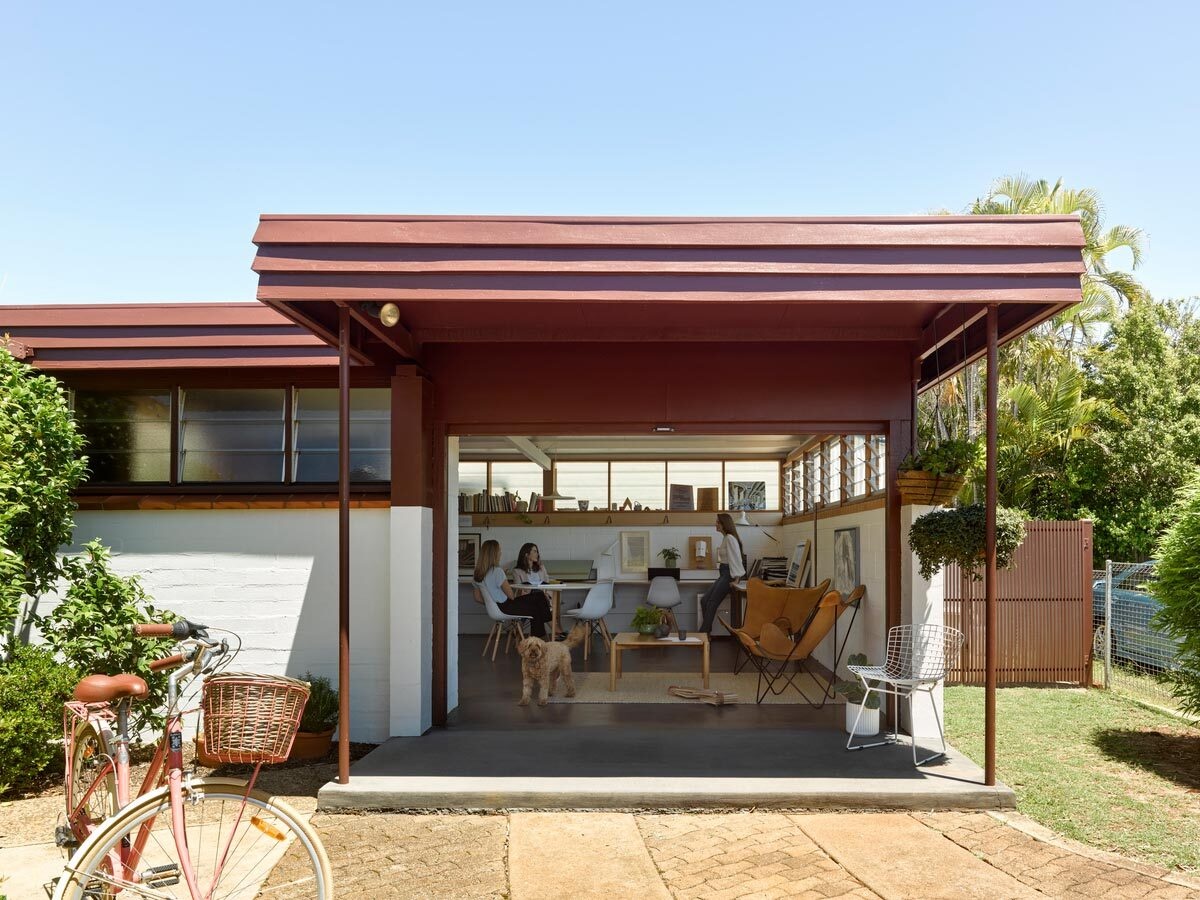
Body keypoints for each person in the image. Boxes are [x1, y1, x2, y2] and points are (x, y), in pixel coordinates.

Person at [473, 539, 553, 640]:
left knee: (537, 602)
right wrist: (504, 579)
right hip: (506, 606)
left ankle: (538, 641)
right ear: (494, 554)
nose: (501, 553)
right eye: (499, 551)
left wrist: (492, 603)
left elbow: (477, 598)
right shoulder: (497, 571)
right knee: (538, 600)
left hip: (496, 609)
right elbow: (511, 595)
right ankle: (542, 640)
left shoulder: (477, 573)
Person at [698, 513, 746, 633]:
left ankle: (703, 633)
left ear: (724, 524)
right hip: (724, 573)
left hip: (729, 574)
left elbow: (736, 558)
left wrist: (736, 579)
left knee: (711, 603)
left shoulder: (730, 538)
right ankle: (707, 632)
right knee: (704, 601)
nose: (715, 524)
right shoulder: (726, 538)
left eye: (718, 522)